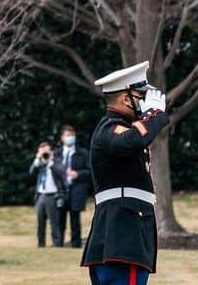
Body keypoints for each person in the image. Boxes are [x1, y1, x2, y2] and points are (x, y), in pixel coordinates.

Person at [81, 61, 169, 285]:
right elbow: (132, 140)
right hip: (122, 236)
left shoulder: (119, 128)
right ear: (125, 99)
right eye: (141, 95)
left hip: (122, 237)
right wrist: (154, 116)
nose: (145, 102)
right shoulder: (110, 128)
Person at [57, 124, 92, 248]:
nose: (70, 138)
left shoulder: (83, 153)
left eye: (72, 135)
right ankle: (58, 244)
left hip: (76, 190)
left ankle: (75, 244)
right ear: (62, 137)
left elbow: (89, 171)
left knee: (75, 219)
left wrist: (78, 174)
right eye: (67, 135)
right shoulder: (57, 153)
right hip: (61, 191)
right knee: (59, 220)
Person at [30, 141, 66, 247]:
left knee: (54, 222)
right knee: (40, 222)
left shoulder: (56, 162)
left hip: (52, 195)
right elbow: (31, 174)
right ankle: (41, 244)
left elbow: (61, 172)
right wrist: (38, 158)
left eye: (47, 150)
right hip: (41, 195)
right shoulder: (39, 164)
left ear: (51, 151)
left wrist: (50, 161)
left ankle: (57, 244)